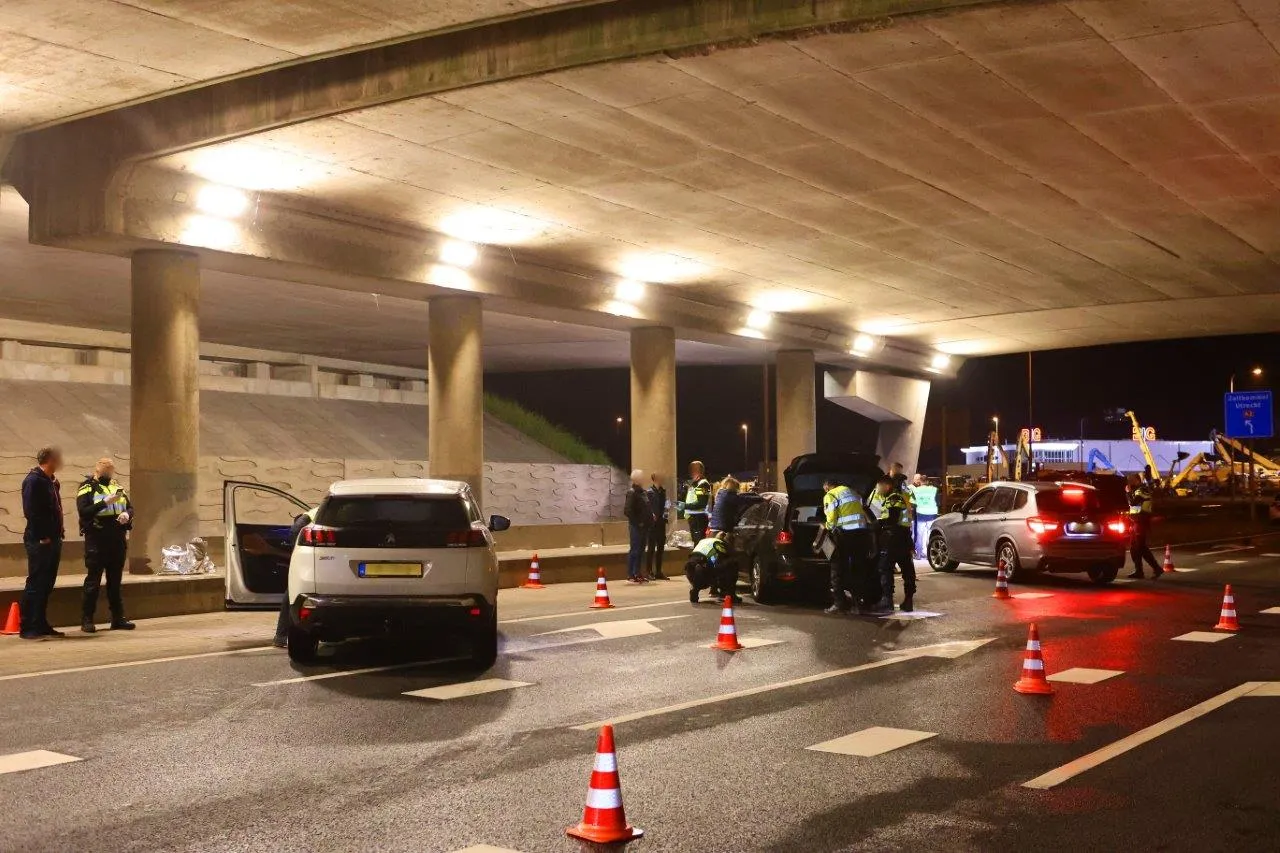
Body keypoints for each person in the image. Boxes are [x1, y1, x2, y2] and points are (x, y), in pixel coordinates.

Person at [77, 457, 135, 632]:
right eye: (105, 470)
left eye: (111, 470)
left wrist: (127, 515)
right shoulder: (87, 487)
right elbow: (84, 511)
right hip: (97, 538)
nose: (108, 473)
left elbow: (130, 506)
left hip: (117, 538)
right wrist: (104, 503)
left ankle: (118, 618)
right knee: (93, 581)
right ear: (98, 470)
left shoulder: (117, 486)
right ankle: (87, 619)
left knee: (115, 581)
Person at [20, 446, 66, 639]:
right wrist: (42, 536)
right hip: (39, 539)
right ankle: (28, 626)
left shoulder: (51, 482)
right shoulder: (33, 481)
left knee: (47, 583)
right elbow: (31, 511)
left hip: (53, 538)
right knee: (36, 582)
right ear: (49, 459)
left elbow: (55, 509)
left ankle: (41, 623)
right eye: (58, 458)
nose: (61, 462)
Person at [821, 477, 872, 615]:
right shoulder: (853, 492)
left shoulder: (830, 495)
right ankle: (857, 604)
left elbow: (831, 518)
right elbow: (863, 510)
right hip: (860, 533)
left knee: (837, 567)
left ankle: (839, 603)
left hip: (844, 535)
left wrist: (827, 528)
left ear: (827, 487)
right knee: (857, 567)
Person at [869, 476, 916, 614]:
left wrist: (876, 524)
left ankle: (887, 600)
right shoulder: (901, 496)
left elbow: (892, 518)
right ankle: (908, 601)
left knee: (885, 568)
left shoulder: (893, 497)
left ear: (887, 486)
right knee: (907, 570)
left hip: (894, 538)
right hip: (904, 536)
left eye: (879, 486)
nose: (878, 489)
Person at [274, 507, 317, 648]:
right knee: (294, 586)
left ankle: (282, 635)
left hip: (299, 526)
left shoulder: (324, 506)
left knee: (295, 584)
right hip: (301, 528)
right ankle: (282, 635)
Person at [1126, 467, 1163, 580]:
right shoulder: (1137, 490)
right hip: (1136, 521)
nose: (1129, 482)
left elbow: (1133, 503)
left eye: (1131, 480)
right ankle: (1139, 571)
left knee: (1140, 547)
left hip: (1141, 521)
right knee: (1134, 547)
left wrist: (1127, 493)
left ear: (1137, 480)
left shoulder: (1141, 490)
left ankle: (1156, 568)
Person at [623, 469, 651, 584]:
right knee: (635, 549)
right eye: (641, 477)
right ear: (636, 479)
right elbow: (628, 510)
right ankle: (631, 573)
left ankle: (638, 572)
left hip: (644, 526)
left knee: (641, 550)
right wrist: (638, 522)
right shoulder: (632, 492)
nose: (643, 479)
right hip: (636, 526)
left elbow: (646, 507)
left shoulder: (643, 492)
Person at [684, 532, 729, 604]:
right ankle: (719, 590)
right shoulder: (718, 543)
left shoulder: (704, 541)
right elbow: (725, 555)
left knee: (697, 579)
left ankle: (695, 590)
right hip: (700, 566)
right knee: (721, 569)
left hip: (689, 566)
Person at [643, 472, 669, 580]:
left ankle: (658, 571)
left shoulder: (663, 491)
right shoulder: (649, 492)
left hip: (661, 523)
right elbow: (647, 507)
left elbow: (665, 505)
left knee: (661, 548)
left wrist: (666, 512)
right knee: (651, 548)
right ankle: (649, 571)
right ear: (654, 479)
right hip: (652, 524)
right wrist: (651, 515)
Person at [679, 461, 712, 543]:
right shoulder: (695, 484)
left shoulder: (703, 484)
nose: (691, 472)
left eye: (693, 469)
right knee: (696, 542)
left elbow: (701, 504)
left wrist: (684, 506)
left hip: (699, 520)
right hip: (694, 519)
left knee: (699, 543)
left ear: (700, 471)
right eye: (690, 469)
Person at [908, 473, 939, 560]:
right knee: (930, 534)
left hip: (920, 514)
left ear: (920, 481)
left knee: (920, 535)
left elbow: (912, 502)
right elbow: (938, 502)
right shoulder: (934, 489)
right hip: (932, 515)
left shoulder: (917, 490)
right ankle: (930, 554)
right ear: (928, 481)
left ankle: (918, 555)